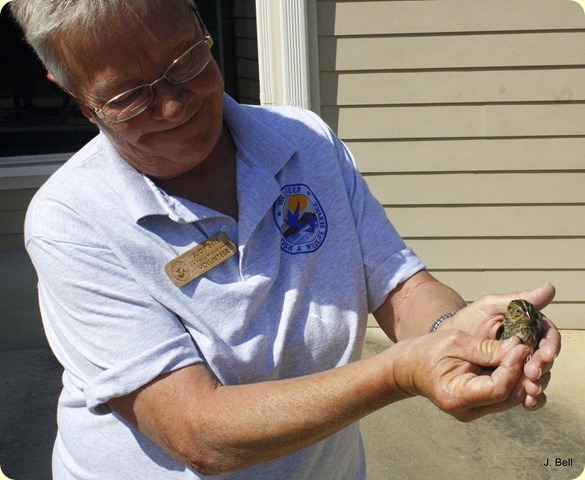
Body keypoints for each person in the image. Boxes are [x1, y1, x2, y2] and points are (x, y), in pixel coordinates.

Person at [11, 0, 561, 478]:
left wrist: (455, 334)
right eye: (129, 97)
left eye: (185, 62)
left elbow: (399, 285)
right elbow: (196, 432)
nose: (174, 106)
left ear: (202, 27)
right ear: (77, 97)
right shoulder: (71, 221)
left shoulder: (304, 141)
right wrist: (401, 372)